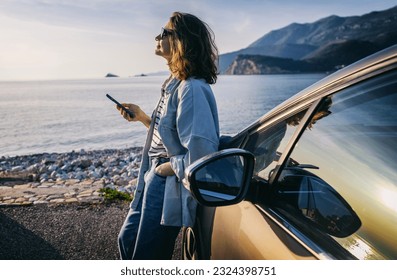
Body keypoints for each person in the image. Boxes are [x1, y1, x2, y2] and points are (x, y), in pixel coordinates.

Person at [117, 12, 220, 260]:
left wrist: (164, 169)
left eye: (163, 33)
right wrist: (142, 118)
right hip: (153, 176)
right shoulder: (174, 83)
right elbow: (172, 136)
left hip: (167, 182)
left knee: (147, 256)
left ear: (181, 40)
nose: (156, 37)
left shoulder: (192, 89)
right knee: (127, 240)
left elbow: (202, 155)